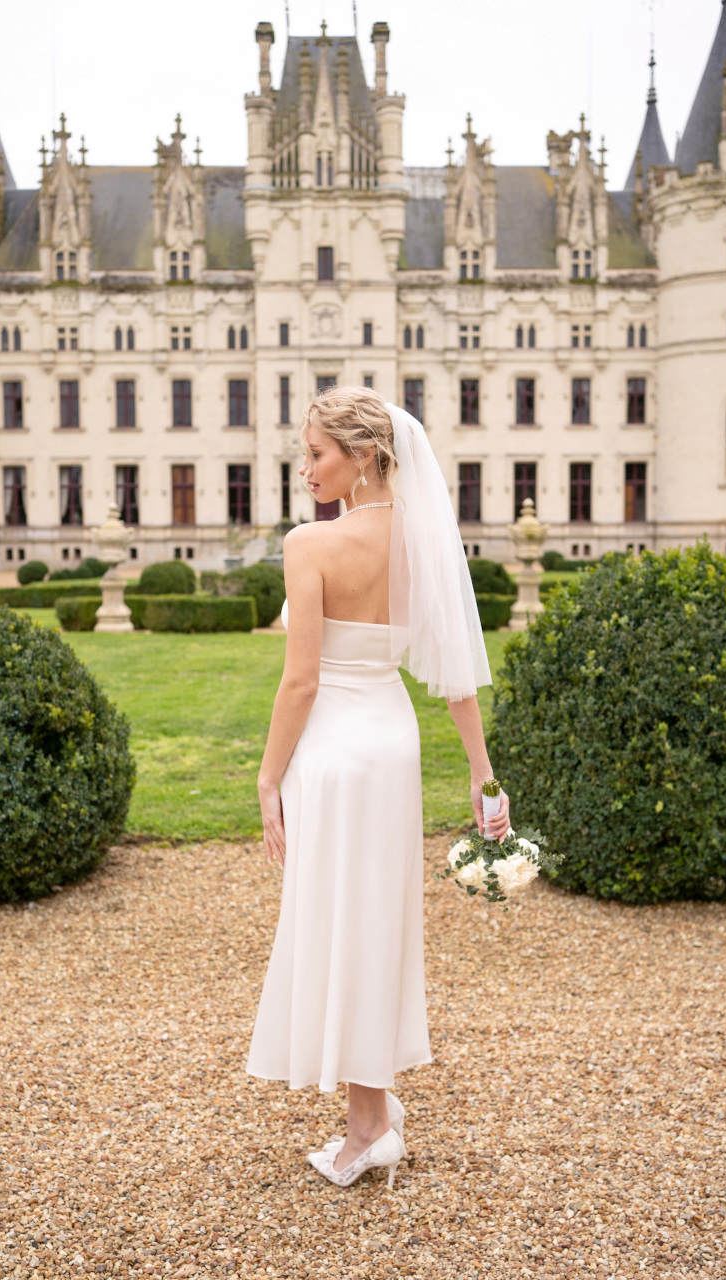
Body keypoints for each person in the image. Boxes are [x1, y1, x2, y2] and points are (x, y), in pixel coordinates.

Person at [245, 385, 512, 1190]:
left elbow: (299, 685)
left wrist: (266, 778)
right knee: (379, 922)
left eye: (316, 454)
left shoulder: (311, 545)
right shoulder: (425, 539)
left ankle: (366, 1129)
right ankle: (376, 1102)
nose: (305, 470)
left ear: (363, 455)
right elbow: (457, 676)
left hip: (333, 748)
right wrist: (481, 774)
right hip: (390, 744)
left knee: (344, 923)